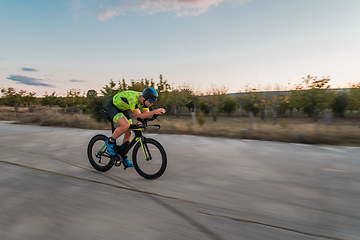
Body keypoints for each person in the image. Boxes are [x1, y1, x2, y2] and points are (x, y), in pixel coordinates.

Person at [105, 87, 166, 167]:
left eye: (154, 101)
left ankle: (124, 156)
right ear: (144, 98)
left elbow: (145, 115)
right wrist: (154, 111)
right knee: (125, 125)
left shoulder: (145, 101)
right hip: (113, 106)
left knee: (129, 131)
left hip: (122, 108)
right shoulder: (133, 99)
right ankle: (110, 142)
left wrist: (155, 115)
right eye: (151, 100)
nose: (152, 103)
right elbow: (139, 116)